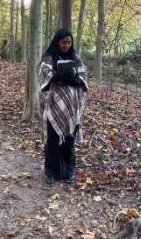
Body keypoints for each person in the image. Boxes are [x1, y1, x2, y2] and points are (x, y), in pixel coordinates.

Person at [39, 29, 88, 186]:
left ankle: (70, 169)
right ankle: (51, 172)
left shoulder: (76, 57)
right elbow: (44, 76)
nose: (66, 45)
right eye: (63, 42)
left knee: (69, 139)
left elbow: (84, 76)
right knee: (52, 140)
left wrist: (73, 79)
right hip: (53, 106)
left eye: (69, 42)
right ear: (57, 42)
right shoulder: (49, 57)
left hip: (71, 108)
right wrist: (57, 76)